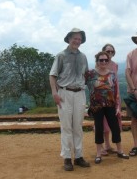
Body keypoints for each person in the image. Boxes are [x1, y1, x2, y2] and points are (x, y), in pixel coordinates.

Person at [49, 28, 90, 171]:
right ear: (69, 39)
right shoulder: (61, 55)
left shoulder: (83, 57)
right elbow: (53, 75)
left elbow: (86, 76)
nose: (77, 41)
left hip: (80, 93)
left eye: (79, 39)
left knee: (77, 126)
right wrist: (54, 93)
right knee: (66, 126)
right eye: (75, 38)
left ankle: (78, 156)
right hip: (64, 93)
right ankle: (67, 157)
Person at [86, 51, 129, 164]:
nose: (104, 62)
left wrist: (118, 106)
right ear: (97, 61)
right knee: (99, 129)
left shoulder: (112, 74)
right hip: (97, 106)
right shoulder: (91, 74)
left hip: (110, 105)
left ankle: (120, 151)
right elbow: (82, 85)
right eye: (101, 60)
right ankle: (99, 154)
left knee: (115, 128)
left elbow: (115, 92)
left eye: (106, 60)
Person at [100, 43, 122, 155]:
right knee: (103, 123)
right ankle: (103, 145)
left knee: (113, 122)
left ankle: (109, 145)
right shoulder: (100, 64)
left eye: (111, 52)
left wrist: (117, 97)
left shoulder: (115, 65)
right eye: (107, 51)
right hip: (102, 97)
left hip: (113, 96)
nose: (109, 53)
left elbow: (116, 81)